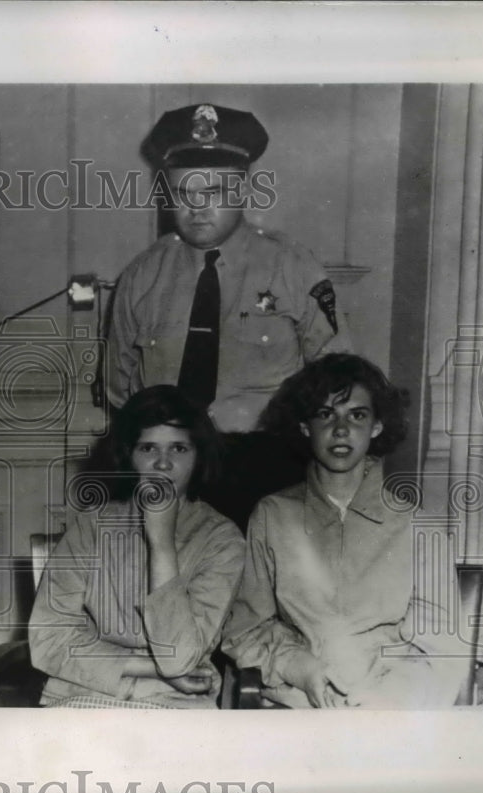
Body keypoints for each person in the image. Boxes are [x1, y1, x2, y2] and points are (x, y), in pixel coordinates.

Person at [106, 103, 353, 530]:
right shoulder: (142, 276)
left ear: (242, 191)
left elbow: (339, 382)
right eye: (184, 194)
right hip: (171, 466)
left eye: (215, 193)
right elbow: (119, 386)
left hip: (268, 467)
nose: (197, 209)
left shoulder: (292, 267)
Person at [221, 353, 468, 708]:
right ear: (305, 427)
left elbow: (442, 646)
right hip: (297, 703)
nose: (341, 429)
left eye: (357, 415)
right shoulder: (272, 515)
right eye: (325, 414)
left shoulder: (419, 527)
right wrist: (299, 668)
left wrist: (388, 698)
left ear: (377, 426)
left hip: (390, 710)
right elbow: (244, 630)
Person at [29, 385, 244, 708]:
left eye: (179, 449)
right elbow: (48, 640)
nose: (162, 464)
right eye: (148, 448)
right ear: (129, 455)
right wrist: (154, 671)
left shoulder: (222, 540)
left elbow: (178, 659)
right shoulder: (92, 526)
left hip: (177, 701)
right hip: (83, 693)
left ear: (199, 456)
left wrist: (162, 544)